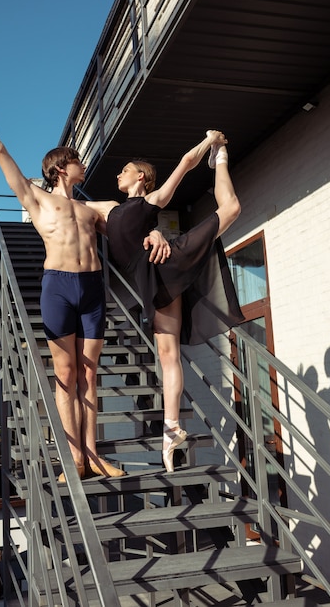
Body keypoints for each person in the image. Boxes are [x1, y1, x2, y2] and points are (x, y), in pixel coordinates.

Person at [0, 79, 168, 481]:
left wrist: (157, 232)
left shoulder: (94, 209)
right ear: (61, 168)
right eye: (77, 159)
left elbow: (134, 225)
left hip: (93, 291)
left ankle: (93, 457)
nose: (83, 164)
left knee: (90, 375)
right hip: (58, 287)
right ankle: (73, 459)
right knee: (66, 375)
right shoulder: (36, 199)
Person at [84, 130, 244, 472]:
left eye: (124, 170)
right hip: (154, 285)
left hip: (170, 263)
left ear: (140, 177)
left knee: (230, 209)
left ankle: (220, 160)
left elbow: (186, 164)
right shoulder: (106, 209)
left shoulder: (150, 201)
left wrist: (209, 141)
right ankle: (171, 429)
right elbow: (71, 206)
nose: (117, 174)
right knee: (169, 355)